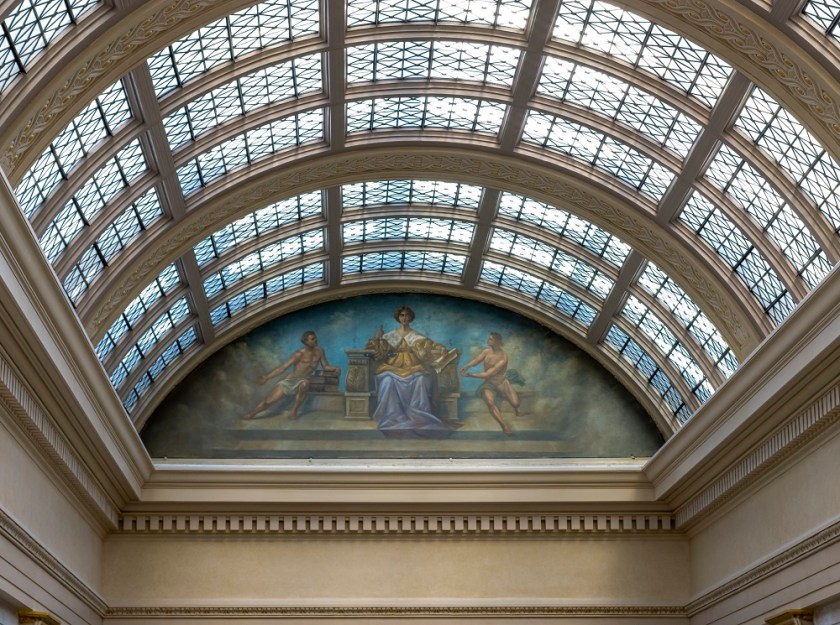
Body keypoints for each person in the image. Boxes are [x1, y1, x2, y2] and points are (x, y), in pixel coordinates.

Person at [365, 306, 458, 438]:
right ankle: (392, 415)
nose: (404, 318)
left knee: (421, 379)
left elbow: (433, 345)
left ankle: (419, 414)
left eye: (407, 315)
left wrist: (442, 347)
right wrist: (377, 338)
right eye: (402, 315)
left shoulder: (417, 336)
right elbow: (375, 351)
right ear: (398, 318)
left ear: (411, 318)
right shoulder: (389, 336)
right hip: (392, 367)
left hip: (414, 366)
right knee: (387, 380)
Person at [240, 331, 340, 421]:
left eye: (315, 338)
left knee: (305, 383)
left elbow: (325, 366)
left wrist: (335, 368)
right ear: (305, 341)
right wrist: (266, 377)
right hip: (290, 380)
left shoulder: (320, 351)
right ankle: (251, 414)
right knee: (268, 402)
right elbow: (282, 368)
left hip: (304, 379)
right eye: (313, 339)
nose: (316, 340)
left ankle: (294, 411)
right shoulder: (299, 354)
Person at [460, 332, 522, 435]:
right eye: (488, 338)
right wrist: (467, 366)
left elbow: (488, 374)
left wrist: (470, 375)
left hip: (501, 382)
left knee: (515, 403)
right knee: (489, 402)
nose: (488, 340)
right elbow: (476, 360)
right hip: (489, 384)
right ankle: (504, 426)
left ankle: (517, 408)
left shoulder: (503, 357)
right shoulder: (486, 352)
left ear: (497, 341)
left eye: (491, 339)